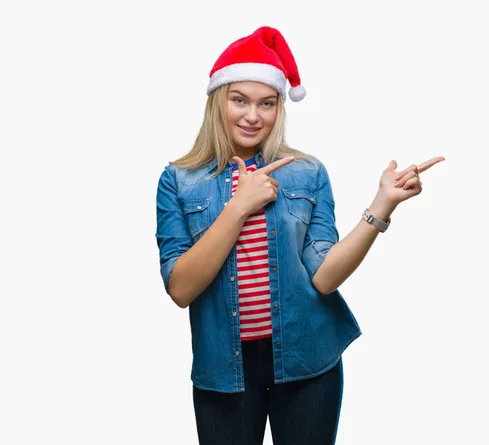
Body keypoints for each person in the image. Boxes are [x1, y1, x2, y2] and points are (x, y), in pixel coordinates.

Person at [155, 26, 444, 445]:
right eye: (240, 101)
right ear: (219, 103)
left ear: (279, 108)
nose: (253, 116)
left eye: (266, 103)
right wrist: (239, 206)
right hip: (223, 368)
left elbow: (325, 277)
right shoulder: (178, 181)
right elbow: (180, 288)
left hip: (309, 360)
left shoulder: (306, 173)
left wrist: (382, 205)